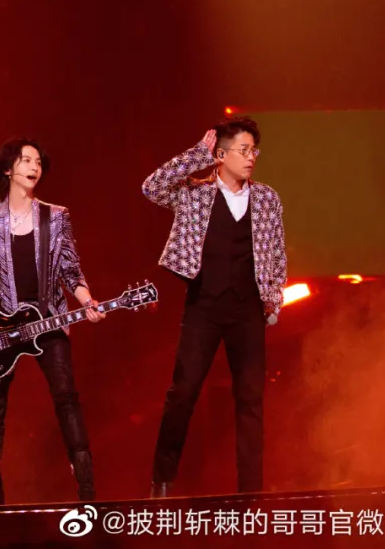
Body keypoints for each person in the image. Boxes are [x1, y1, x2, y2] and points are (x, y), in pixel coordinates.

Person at [0, 137, 102, 503]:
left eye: (38, 162)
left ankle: (86, 486)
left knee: (66, 395)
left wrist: (86, 300)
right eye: (26, 160)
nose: (34, 167)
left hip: (47, 317)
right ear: (7, 169)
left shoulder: (56, 216)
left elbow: (70, 269)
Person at [143, 117, 286, 497]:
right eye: (243, 150)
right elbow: (152, 187)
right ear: (220, 155)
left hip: (248, 309)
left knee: (250, 401)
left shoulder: (267, 199)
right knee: (183, 392)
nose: (251, 157)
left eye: (254, 150)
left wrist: (273, 298)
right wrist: (196, 156)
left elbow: (276, 253)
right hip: (204, 306)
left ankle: (250, 493)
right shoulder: (196, 194)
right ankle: (161, 481)